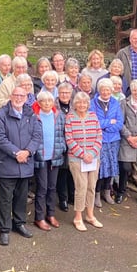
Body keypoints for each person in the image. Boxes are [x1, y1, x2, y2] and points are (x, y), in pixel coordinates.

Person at [0, 86, 42, 246]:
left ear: (26, 98)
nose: (19, 98)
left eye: (22, 96)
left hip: (26, 162)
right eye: (16, 95)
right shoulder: (0, 115)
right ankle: (4, 229)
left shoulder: (31, 114)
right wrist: (16, 153)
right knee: (6, 199)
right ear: (10, 96)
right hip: (7, 163)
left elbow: (37, 135)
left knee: (22, 197)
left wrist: (27, 152)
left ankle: (19, 223)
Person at [65, 92, 103, 231]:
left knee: (91, 187)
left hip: (93, 158)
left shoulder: (93, 116)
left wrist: (92, 153)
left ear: (88, 104)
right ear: (75, 104)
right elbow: (69, 139)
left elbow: (99, 136)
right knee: (81, 187)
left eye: (84, 103)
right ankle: (78, 217)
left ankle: (90, 215)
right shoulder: (70, 117)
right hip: (77, 159)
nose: (82, 105)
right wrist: (82, 154)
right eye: (79, 103)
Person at [32, 91, 66, 231]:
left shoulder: (59, 116)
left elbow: (64, 134)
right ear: (39, 103)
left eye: (49, 101)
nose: (47, 103)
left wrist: (62, 148)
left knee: (52, 187)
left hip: (55, 157)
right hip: (41, 157)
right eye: (43, 101)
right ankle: (39, 217)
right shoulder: (34, 117)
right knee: (42, 188)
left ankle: (50, 214)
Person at [90, 78, 123, 206]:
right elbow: (94, 121)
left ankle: (107, 193)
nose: (105, 92)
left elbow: (119, 123)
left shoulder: (115, 103)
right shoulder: (93, 103)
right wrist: (109, 122)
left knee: (111, 167)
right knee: (100, 168)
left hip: (113, 140)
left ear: (111, 90)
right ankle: (96, 194)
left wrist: (105, 127)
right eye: (103, 89)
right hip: (99, 140)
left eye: (108, 90)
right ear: (99, 90)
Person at [55, 82, 75, 211]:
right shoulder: (54, 106)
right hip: (59, 142)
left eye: (67, 93)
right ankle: (63, 199)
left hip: (73, 144)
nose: (64, 95)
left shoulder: (75, 105)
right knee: (62, 172)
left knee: (72, 171)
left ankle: (72, 196)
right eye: (62, 92)